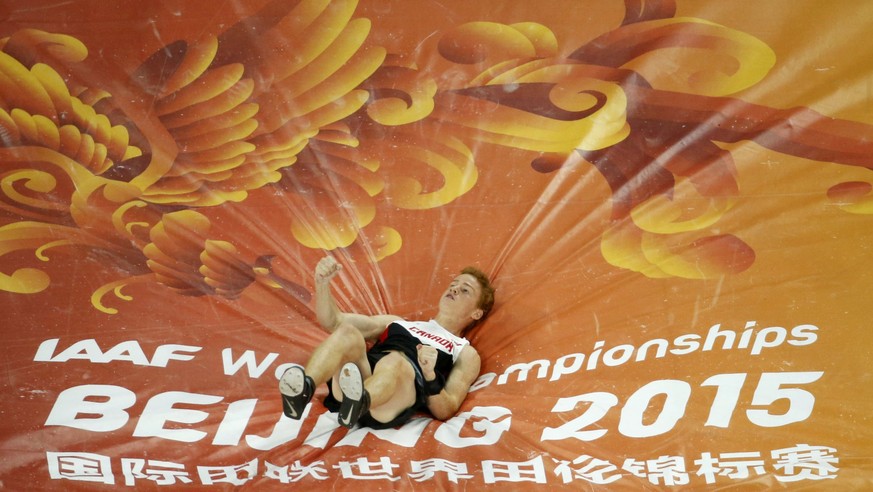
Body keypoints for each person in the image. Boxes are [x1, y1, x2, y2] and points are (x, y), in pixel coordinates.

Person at [279, 256, 495, 429]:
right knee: (347, 332)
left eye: (465, 290)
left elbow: (447, 409)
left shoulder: (464, 351)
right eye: (453, 284)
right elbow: (333, 321)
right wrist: (322, 284)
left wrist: (430, 377)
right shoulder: (398, 323)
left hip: (391, 401)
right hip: (356, 383)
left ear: (477, 313)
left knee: (395, 362)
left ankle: (361, 401)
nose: (454, 289)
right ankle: (302, 391)